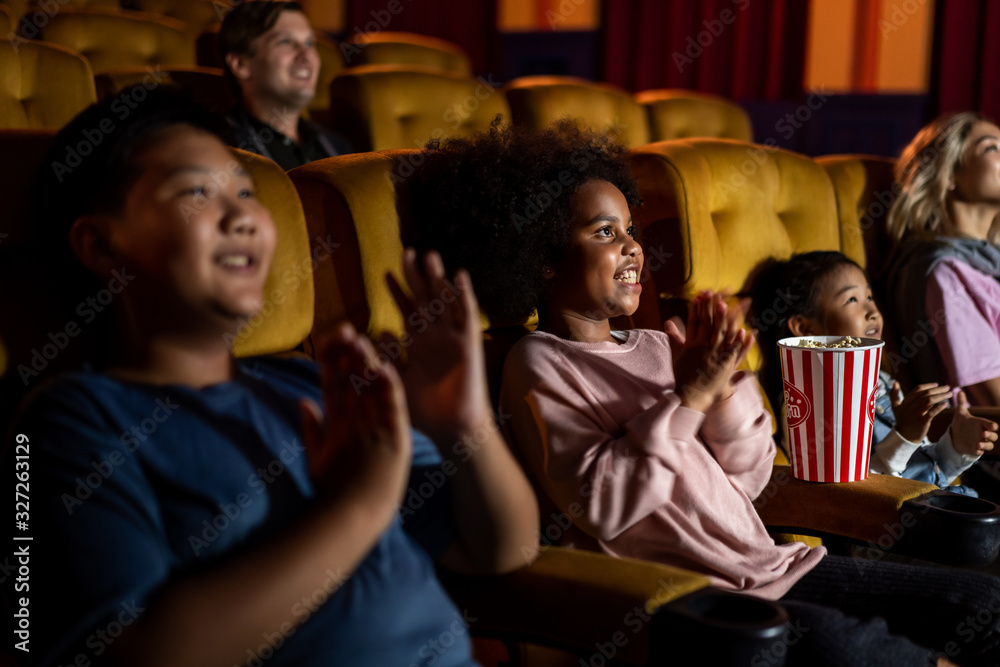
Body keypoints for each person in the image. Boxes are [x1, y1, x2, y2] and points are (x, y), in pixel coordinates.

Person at [398, 120, 1000, 667]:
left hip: (778, 567)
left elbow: (751, 476)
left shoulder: (660, 345)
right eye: (605, 232)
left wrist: (725, 388)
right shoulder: (538, 363)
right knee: (865, 652)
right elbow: (602, 506)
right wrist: (686, 400)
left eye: (630, 230)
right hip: (699, 603)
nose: (633, 248)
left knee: (986, 604)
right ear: (543, 258)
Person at [16, 86, 538, 667]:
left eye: (244, 189)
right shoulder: (71, 422)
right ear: (100, 245)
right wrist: (360, 505)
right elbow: (131, 654)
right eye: (196, 192)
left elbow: (500, 551)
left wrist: (462, 422)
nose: (244, 214)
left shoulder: (307, 386)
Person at [748, 250, 997, 494]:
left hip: (936, 509)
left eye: (869, 297)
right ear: (805, 327)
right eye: (852, 300)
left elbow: (928, 474)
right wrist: (904, 436)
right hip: (890, 527)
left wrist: (956, 447)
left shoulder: (882, 382)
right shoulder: (807, 402)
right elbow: (846, 496)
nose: (873, 312)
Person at [884, 112, 1000, 407]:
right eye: (991, 147)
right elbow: (992, 399)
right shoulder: (944, 271)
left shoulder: (988, 261)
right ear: (949, 175)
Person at [218, 1, 352, 170]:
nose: (306, 56)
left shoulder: (339, 147)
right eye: (285, 42)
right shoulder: (218, 151)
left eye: (310, 43)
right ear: (240, 64)